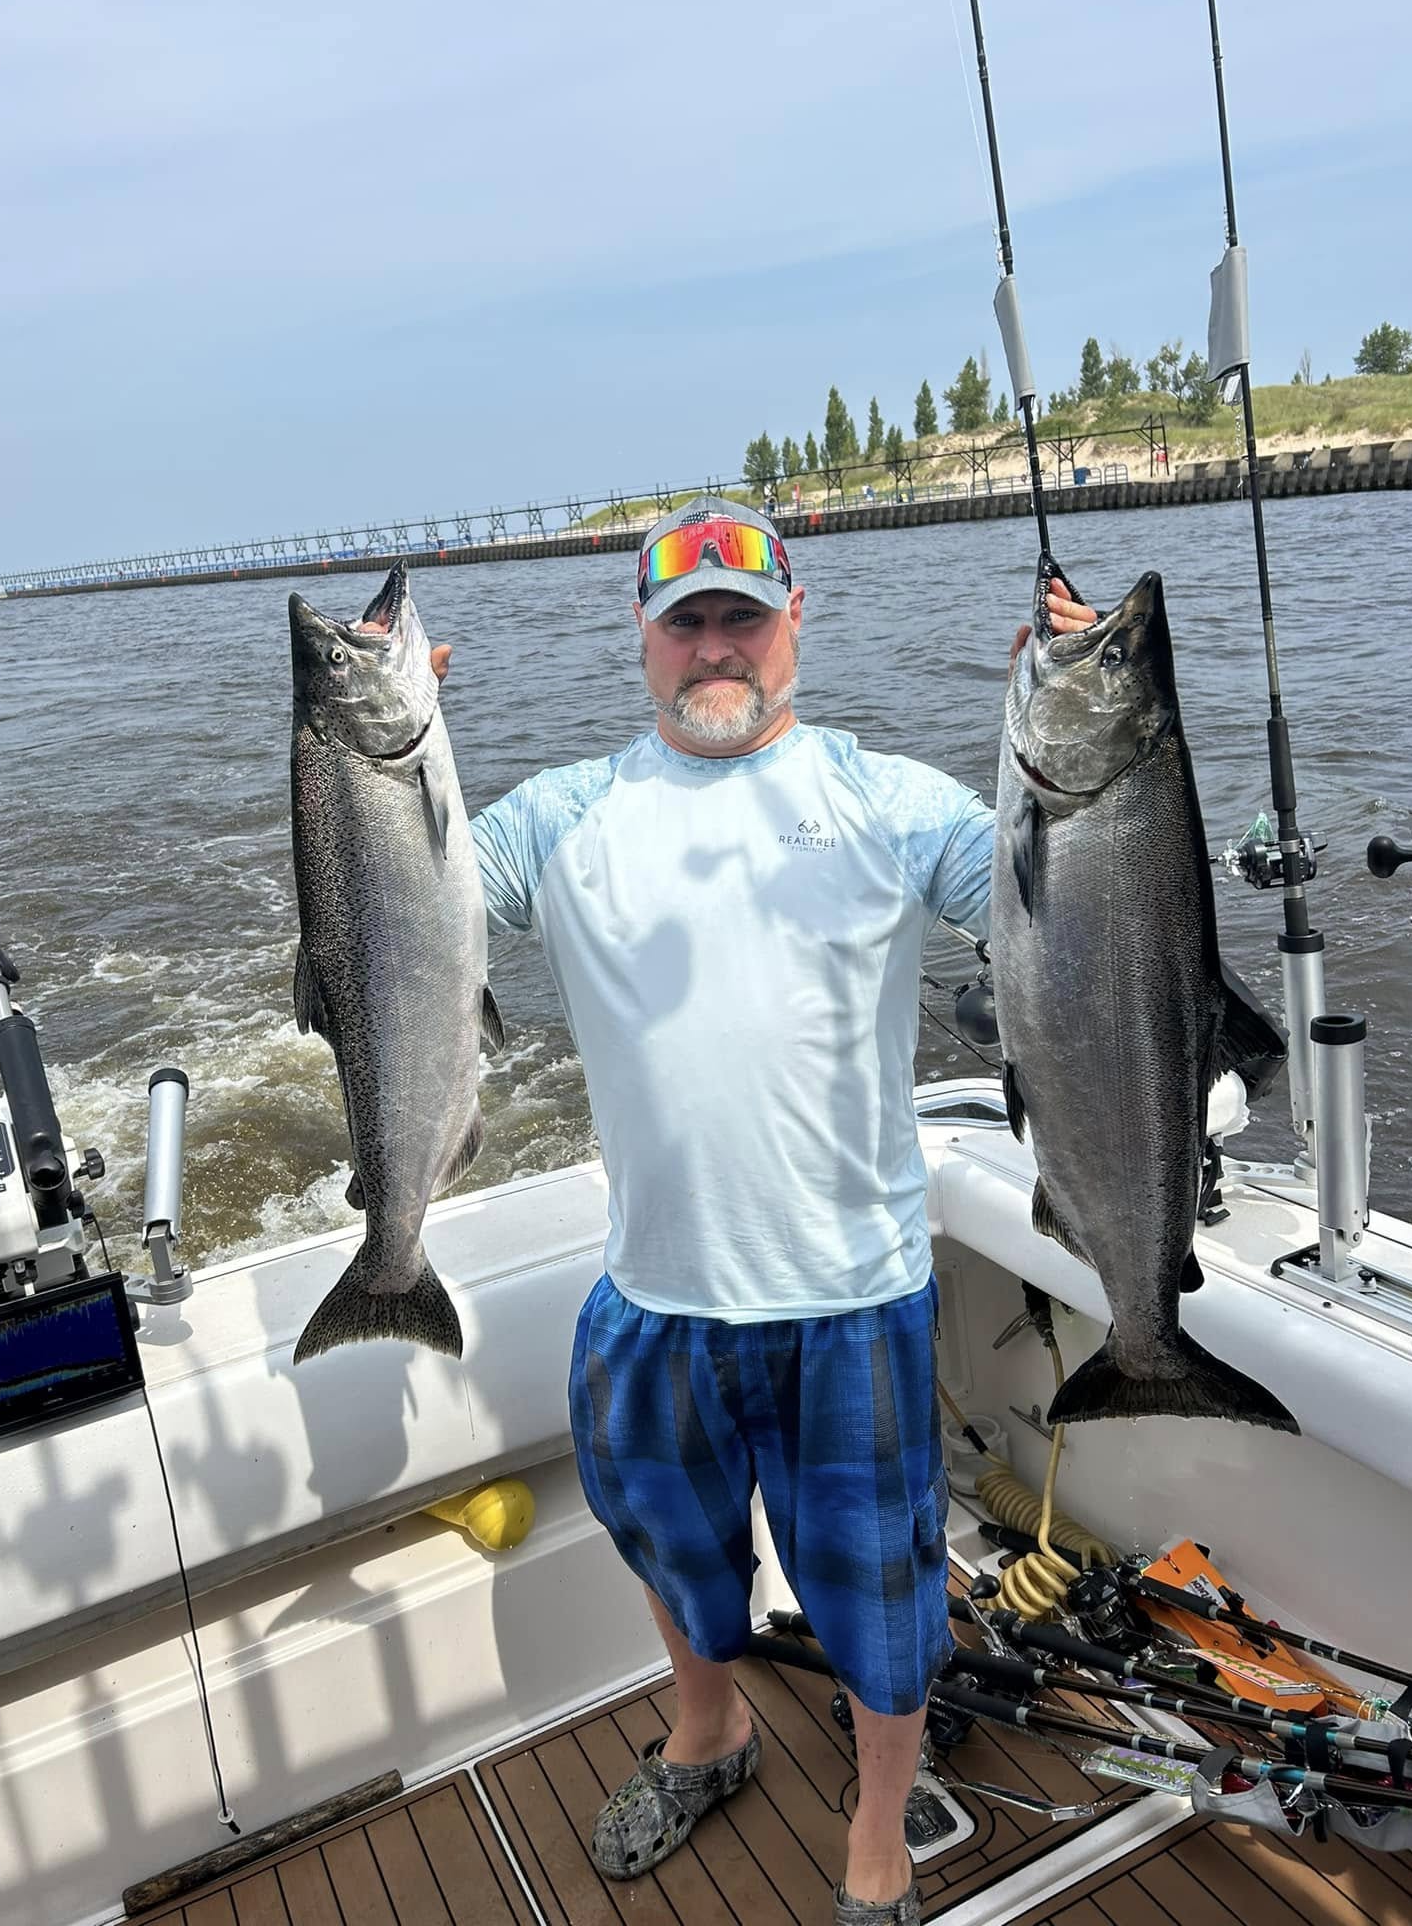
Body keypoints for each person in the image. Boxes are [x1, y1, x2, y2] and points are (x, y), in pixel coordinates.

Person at [438, 497, 1094, 1924]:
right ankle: (711, 1728)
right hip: (652, 1294)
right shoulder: (563, 815)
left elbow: (1073, 900)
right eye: (688, 623)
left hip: (850, 1295)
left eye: (744, 616)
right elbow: (411, 905)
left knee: (881, 1599)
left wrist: (1092, 728)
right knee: (669, 1549)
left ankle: (873, 1829)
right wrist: (377, 758)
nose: (716, 647)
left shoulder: (891, 798)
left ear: (798, 624)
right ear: (644, 642)